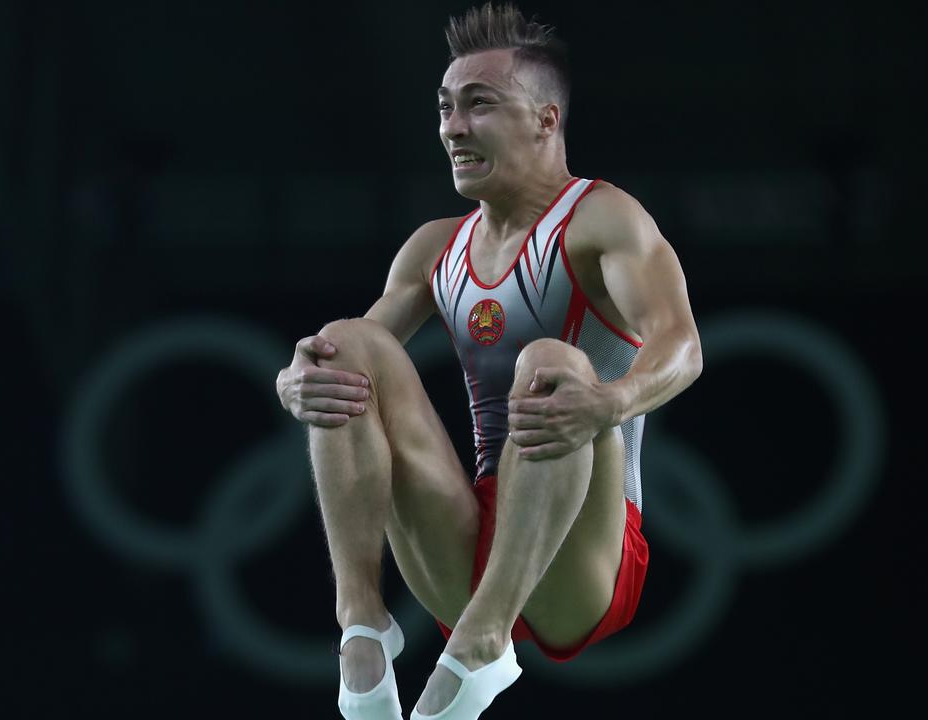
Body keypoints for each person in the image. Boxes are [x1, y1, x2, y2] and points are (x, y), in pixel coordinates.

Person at [274, 3, 702, 718]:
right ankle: (363, 623)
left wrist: (611, 402)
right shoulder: (434, 247)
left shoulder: (602, 218)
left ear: (545, 120)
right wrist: (300, 380)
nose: (452, 127)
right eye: (444, 108)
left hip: (584, 558)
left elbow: (681, 347)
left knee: (553, 362)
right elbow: (344, 362)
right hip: (467, 550)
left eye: (479, 105)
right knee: (341, 343)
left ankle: (485, 642)